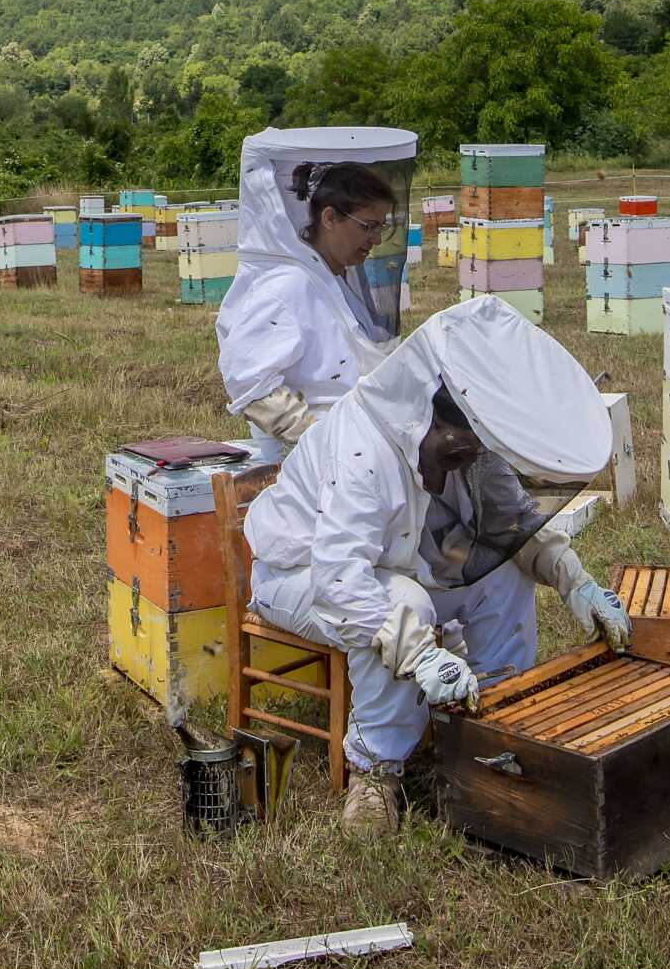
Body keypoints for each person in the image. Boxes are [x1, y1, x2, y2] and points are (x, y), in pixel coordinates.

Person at [243, 294, 634, 831]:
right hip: (298, 576)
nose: (467, 456)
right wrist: (421, 655)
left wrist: (576, 582)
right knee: (403, 603)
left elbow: (510, 526)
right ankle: (375, 772)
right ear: (424, 415)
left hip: (398, 568)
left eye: (475, 446)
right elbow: (341, 584)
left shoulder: (471, 446)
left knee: (501, 575)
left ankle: (494, 724)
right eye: (457, 445)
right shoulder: (362, 451)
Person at [215, 127, 416, 444]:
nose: (376, 240)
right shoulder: (287, 286)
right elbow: (249, 383)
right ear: (330, 218)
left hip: (358, 444)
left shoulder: (333, 276)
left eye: (382, 228)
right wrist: (319, 441)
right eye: (369, 227)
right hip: (308, 463)